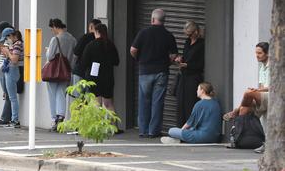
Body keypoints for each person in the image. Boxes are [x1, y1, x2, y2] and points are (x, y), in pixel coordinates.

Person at [130, 8, 178, 138]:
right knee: (158, 102)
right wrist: (167, 62)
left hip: (145, 71)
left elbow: (133, 49)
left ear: (152, 19)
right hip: (162, 72)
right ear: (164, 21)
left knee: (144, 101)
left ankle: (143, 130)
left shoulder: (143, 33)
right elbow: (174, 55)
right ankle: (153, 131)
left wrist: (140, 59)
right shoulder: (169, 35)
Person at [223, 42, 270, 153]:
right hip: (264, 96)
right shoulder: (262, 67)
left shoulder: (274, 66)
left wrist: (256, 91)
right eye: (256, 53)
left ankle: (235, 111)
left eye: (260, 53)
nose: (257, 55)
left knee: (248, 93)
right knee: (244, 109)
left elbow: (274, 87)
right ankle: (238, 138)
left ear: (267, 53)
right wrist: (257, 90)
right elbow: (261, 86)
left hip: (274, 96)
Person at [82, 23, 121, 131]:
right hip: (108, 77)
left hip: (94, 77)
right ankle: (113, 127)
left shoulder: (91, 45)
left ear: (96, 32)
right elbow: (116, 61)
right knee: (108, 103)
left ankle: (96, 127)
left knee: (96, 103)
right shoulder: (110, 45)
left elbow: (84, 62)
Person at [45, 18, 76, 131]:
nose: (52, 31)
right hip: (66, 70)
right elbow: (74, 57)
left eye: (52, 28)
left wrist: (48, 50)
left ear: (55, 26)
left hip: (54, 72)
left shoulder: (55, 39)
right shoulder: (73, 39)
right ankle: (61, 118)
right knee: (61, 94)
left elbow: (50, 56)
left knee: (52, 95)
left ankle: (55, 119)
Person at [176, 21, 205, 126]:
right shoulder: (187, 42)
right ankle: (180, 129)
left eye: (189, 34)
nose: (188, 36)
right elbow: (185, 56)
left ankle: (190, 127)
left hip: (193, 78)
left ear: (196, 32)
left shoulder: (202, 44)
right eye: (186, 34)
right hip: (184, 77)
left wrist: (188, 65)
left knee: (190, 104)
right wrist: (180, 59)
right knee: (180, 104)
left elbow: (201, 64)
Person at [0, 28, 23, 128]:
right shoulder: (15, 44)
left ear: (11, 35)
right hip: (11, 70)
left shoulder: (17, 44)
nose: (7, 40)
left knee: (12, 97)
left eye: (7, 38)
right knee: (11, 97)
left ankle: (15, 120)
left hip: (13, 70)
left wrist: (7, 52)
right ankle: (13, 119)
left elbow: (14, 59)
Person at [0, 22, 15, 127]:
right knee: (6, 94)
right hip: (4, 68)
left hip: (7, 68)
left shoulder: (11, 41)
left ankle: (5, 118)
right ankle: (5, 117)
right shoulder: (7, 40)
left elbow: (8, 53)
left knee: (9, 95)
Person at [73, 19, 102, 83]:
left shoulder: (85, 37)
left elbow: (76, 53)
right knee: (89, 91)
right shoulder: (102, 41)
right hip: (94, 72)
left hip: (80, 70)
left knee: (78, 92)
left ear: (91, 27)